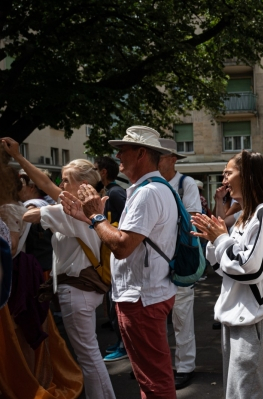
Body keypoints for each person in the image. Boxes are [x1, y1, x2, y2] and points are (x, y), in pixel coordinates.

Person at [60, 126, 179, 399]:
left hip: (142, 299)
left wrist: (96, 217)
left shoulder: (148, 192)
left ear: (140, 153)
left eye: (123, 150)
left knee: (155, 381)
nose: (117, 155)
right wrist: (88, 216)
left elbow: (122, 246)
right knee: (150, 378)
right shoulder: (149, 189)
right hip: (144, 295)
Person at [2, 137, 115, 399]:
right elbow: (44, 182)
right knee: (91, 354)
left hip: (77, 289)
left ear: (83, 184)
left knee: (88, 357)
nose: (61, 185)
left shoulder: (71, 211)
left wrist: (22, 206)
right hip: (87, 288)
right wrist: (19, 157)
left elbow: (30, 215)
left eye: (66, 180)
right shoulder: (93, 205)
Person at [191, 151, 263, 399]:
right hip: (236, 313)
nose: (224, 178)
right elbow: (222, 267)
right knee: (236, 390)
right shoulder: (245, 216)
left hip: (251, 316)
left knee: (247, 391)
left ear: (248, 176)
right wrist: (215, 240)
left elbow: (249, 270)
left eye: (228, 172)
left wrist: (221, 239)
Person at [158, 138, 202, 389]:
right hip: (156, 260)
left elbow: (194, 218)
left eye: (160, 156)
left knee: (182, 316)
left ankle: (185, 366)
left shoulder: (185, 184)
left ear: (172, 160)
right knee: (156, 317)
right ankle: (162, 365)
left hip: (179, 258)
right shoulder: (149, 183)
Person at [94, 156, 129, 363]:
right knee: (112, 303)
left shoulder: (115, 192)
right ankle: (121, 342)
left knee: (116, 303)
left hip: (117, 255)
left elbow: (126, 222)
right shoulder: (112, 191)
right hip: (112, 256)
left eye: (95, 168)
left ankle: (123, 345)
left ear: (104, 172)